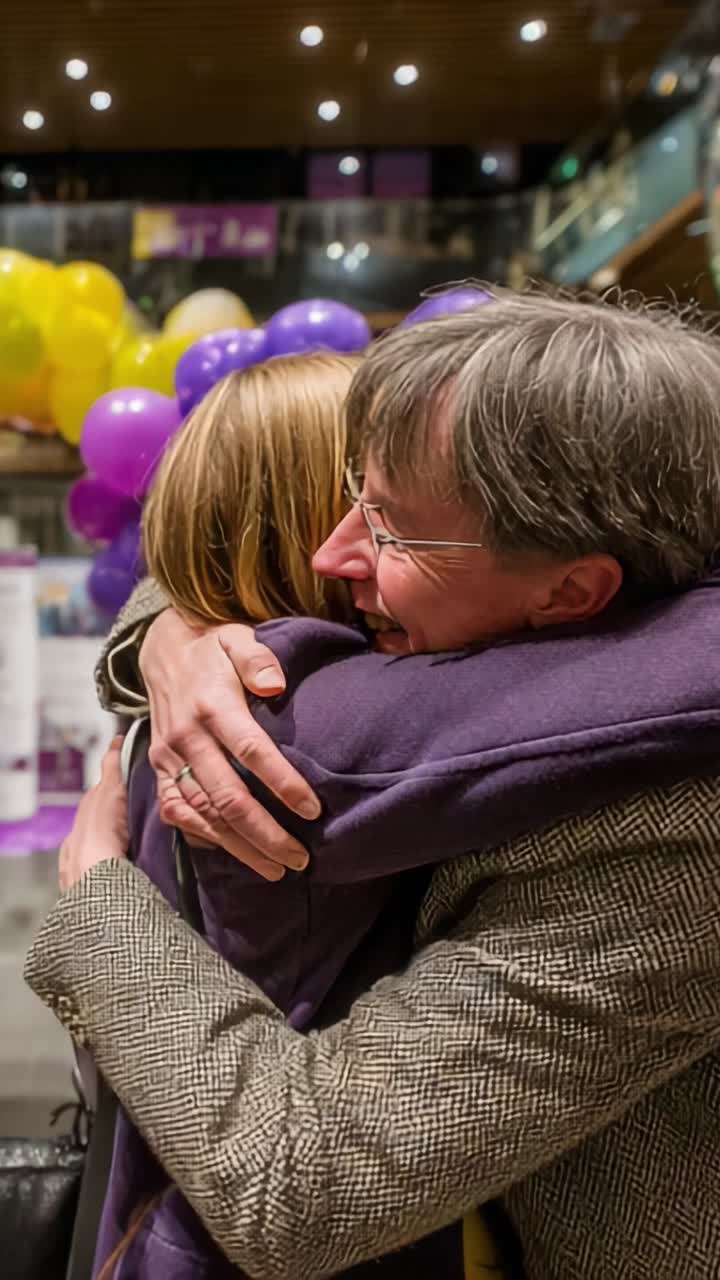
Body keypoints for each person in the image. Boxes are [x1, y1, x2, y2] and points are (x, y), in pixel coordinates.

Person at [27, 292, 720, 1280]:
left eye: (390, 529)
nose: (328, 554)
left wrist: (97, 890)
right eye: (352, 492)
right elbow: (246, 553)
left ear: (572, 591)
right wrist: (174, 636)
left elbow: (295, 1182)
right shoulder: (568, 526)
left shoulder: (672, 829)